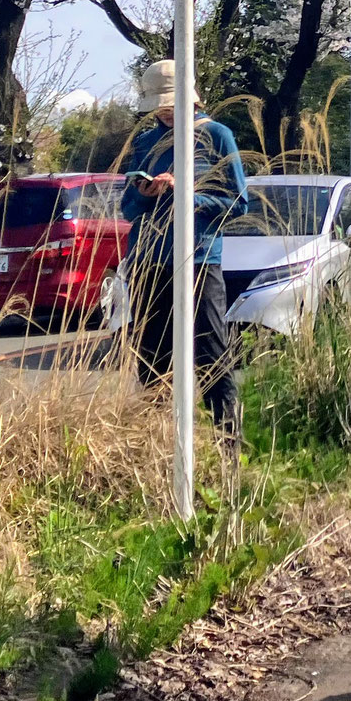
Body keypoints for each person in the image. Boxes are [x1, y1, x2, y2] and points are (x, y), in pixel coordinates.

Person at [119, 60, 249, 445]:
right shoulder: (144, 142)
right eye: (157, 106)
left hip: (199, 258)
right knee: (151, 358)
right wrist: (146, 195)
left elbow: (237, 203)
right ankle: (158, 446)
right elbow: (127, 209)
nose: (162, 112)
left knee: (212, 353)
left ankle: (230, 448)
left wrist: (186, 195)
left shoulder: (217, 136)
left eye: (168, 103)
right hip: (147, 258)